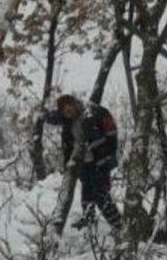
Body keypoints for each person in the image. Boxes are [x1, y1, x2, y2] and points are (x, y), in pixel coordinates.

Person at [45, 94, 121, 231]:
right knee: (87, 191)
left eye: (69, 109)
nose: (68, 113)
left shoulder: (93, 113)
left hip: (101, 160)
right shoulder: (68, 118)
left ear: (75, 104)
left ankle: (119, 225)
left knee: (101, 194)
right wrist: (44, 115)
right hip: (84, 163)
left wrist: (106, 154)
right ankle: (89, 218)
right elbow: (54, 117)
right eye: (64, 111)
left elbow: (112, 133)